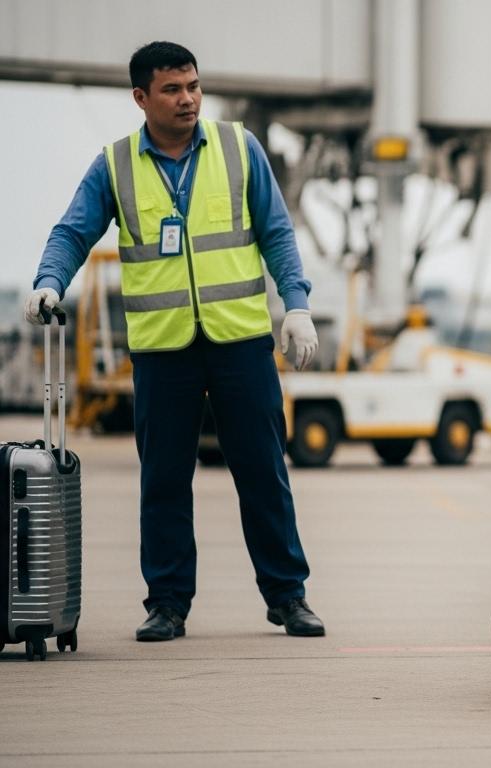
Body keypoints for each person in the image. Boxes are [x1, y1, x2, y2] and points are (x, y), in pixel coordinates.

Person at [23, 41, 325, 642]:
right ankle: (167, 603)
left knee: (263, 472)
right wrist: (48, 282)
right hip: (163, 350)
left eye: (193, 86)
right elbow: (72, 229)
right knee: (163, 479)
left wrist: (297, 306)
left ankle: (288, 595)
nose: (187, 99)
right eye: (171, 89)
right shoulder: (115, 166)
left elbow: (276, 231)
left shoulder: (240, 149)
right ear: (141, 98)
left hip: (239, 342)